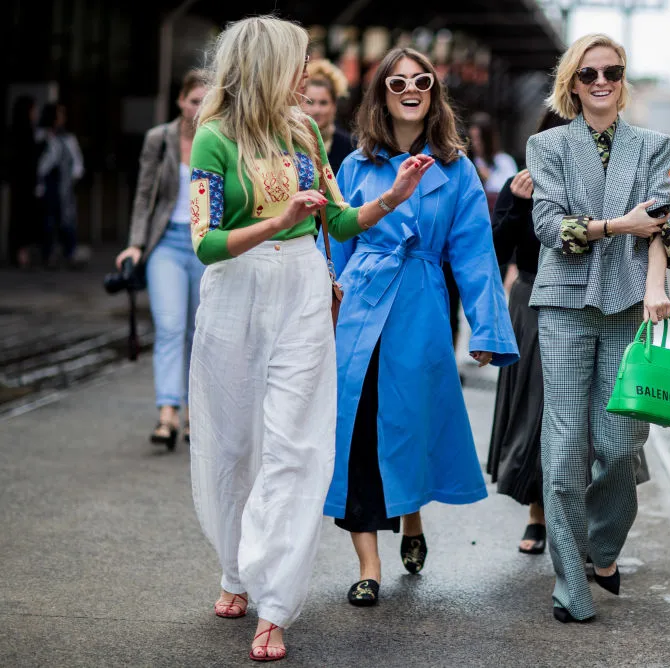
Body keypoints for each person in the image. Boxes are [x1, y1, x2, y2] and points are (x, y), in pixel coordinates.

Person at [187, 16, 433, 661]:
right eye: (298, 62)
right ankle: (237, 570)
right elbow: (206, 244)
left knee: (294, 446)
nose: (307, 74)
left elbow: (342, 220)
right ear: (269, 66)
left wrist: (393, 197)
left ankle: (275, 604)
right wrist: (277, 222)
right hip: (236, 294)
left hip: (299, 289)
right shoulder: (212, 140)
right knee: (235, 443)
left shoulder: (304, 135)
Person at [321, 46, 518, 608]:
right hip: (360, 307)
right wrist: (320, 309)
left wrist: (487, 329)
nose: (410, 90)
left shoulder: (456, 170)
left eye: (422, 81)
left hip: (421, 308)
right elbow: (332, 245)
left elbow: (476, 254)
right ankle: (368, 565)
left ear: (434, 93)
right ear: (381, 92)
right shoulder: (356, 165)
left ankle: (411, 517)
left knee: (408, 422)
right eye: (397, 82)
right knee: (356, 429)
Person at [526, 33, 670, 624]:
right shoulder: (546, 145)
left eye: (611, 72)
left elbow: (662, 226)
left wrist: (656, 287)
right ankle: (572, 582)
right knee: (565, 447)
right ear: (571, 83)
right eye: (588, 73)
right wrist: (622, 224)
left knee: (620, 445)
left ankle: (602, 544)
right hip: (564, 305)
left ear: (623, 81)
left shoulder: (652, 145)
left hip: (628, 307)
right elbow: (551, 227)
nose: (600, 81)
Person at [487, 109, 569, 555]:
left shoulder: (605, 179)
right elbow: (496, 250)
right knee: (538, 409)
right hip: (534, 296)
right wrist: (518, 204)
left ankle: (589, 518)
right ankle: (537, 514)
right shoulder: (523, 182)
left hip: (589, 301)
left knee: (593, 418)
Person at [116, 69, 207, 449]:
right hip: (166, 244)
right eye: (194, 101)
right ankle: (167, 411)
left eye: (207, 102)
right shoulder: (160, 139)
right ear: (180, 101)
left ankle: (194, 413)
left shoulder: (219, 139)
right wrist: (136, 243)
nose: (199, 109)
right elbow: (144, 195)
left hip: (206, 245)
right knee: (169, 327)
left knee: (199, 331)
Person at [37, 102, 85, 268]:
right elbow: (42, 163)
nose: (62, 118)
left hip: (64, 184)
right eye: (59, 114)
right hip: (48, 184)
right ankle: (48, 253)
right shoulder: (42, 136)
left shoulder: (67, 138)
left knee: (67, 220)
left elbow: (77, 162)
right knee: (48, 220)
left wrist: (74, 177)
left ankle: (68, 253)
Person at [5, 96, 43, 268]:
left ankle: (21, 253)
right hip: (23, 183)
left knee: (21, 219)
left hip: (22, 182)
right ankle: (20, 254)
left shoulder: (18, 132)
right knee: (21, 219)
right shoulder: (25, 133)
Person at [301, 58, 356, 173]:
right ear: (300, 103)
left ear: (334, 105)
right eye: (310, 102)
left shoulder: (351, 146)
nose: (317, 110)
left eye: (323, 103)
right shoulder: (290, 142)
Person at [468, 111, 518, 211]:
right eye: (471, 138)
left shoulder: (504, 160)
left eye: (478, 139)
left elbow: (509, 190)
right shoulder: (469, 162)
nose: (474, 143)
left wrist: (488, 177)